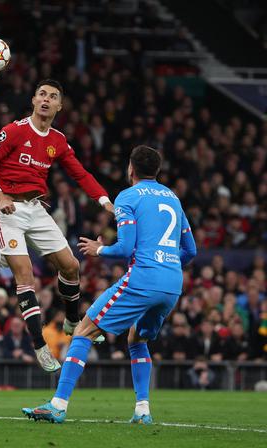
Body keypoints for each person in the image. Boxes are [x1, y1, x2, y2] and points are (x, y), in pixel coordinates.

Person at [22, 145, 197, 424]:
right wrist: (166, 263)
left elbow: (126, 248)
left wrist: (99, 250)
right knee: (137, 339)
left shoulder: (127, 197)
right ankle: (142, 410)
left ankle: (57, 405)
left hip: (144, 278)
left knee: (84, 330)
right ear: (157, 170)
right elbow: (191, 251)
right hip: (172, 283)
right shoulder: (173, 197)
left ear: (131, 168)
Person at [0, 79, 112, 371]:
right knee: (25, 275)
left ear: (59, 106)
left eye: (53, 97)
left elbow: (80, 174)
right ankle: (39, 346)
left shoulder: (58, 141)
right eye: (42, 95)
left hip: (36, 209)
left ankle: (73, 322)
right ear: (34, 100)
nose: (46, 100)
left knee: (71, 265)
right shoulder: (15, 130)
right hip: (6, 210)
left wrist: (103, 200)